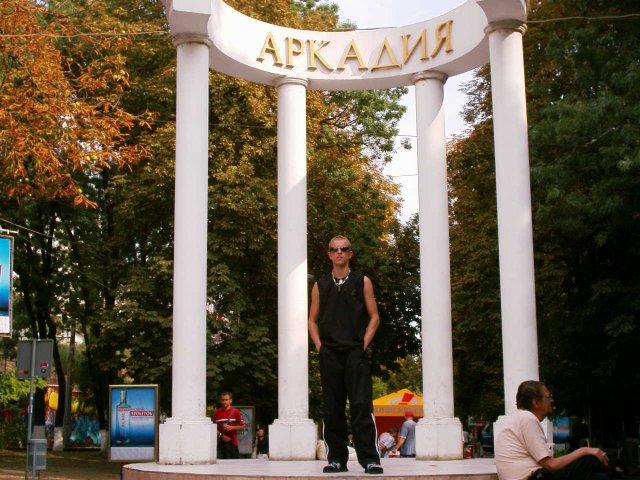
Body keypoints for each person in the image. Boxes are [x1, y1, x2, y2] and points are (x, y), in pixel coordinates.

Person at [308, 235, 384, 475]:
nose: (339, 252)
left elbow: (374, 317)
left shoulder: (362, 281)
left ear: (350, 253)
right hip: (330, 353)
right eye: (334, 249)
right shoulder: (320, 285)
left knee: (361, 405)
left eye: (344, 248)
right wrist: (320, 347)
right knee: (333, 407)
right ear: (329, 254)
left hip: (354, 352)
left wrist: (362, 345)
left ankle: (370, 460)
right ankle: (336, 459)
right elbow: (312, 320)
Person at [495, 380, 610, 480]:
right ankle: (616, 466)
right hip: (534, 477)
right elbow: (551, 465)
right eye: (548, 397)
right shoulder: (527, 419)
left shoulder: (518, 418)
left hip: (535, 476)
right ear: (535, 402)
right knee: (590, 460)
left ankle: (615, 467)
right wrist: (585, 450)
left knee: (599, 477)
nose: (552, 400)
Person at [212, 392, 244, 459]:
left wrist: (232, 427)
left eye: (226, 400)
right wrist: (221, 435)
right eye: (222, 400)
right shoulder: (216, 412)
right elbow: (212, 427)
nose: (224, 402)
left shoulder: (236, 411)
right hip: (219, 443)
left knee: (233, 464)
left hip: (232, 443)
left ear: (230, 400)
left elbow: (242, 426)